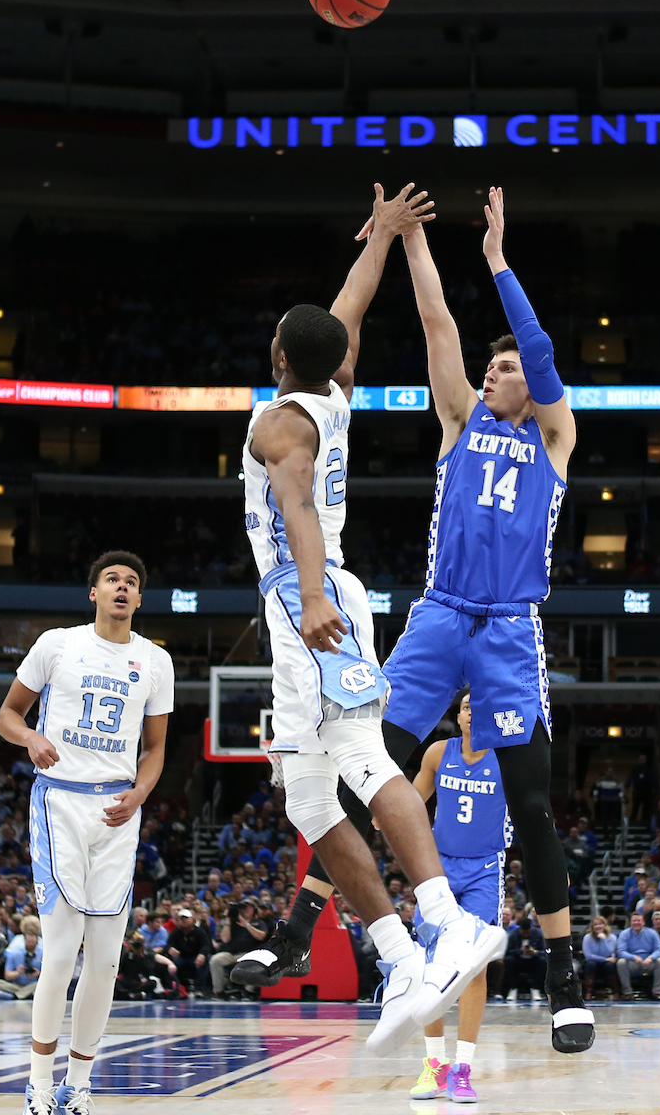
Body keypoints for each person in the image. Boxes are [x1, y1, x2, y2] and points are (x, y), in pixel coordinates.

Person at [236, 186, 594, 1055]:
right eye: (490, 366)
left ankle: (564, 981)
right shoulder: (460, 419)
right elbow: (435, 322)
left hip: (508, 626)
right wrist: (411, 244)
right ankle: (300, 927)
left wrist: (498, 262)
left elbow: (540, 353)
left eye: (505, 368)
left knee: (531, 802)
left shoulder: (553, 437)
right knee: (369, 768)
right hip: (438, 615)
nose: (493, 373)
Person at [0, 551, 174, 1115]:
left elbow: (155, 749)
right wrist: (30, 738)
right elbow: (7, 716)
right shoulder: (57, 645)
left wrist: (141, 792)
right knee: (59, 952)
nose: (122, 587)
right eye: (112, 579)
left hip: (118, 810)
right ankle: (39, 1083)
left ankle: (79, 1085)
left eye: (132, 582)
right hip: (60, 803)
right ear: (93, 593)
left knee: (104, 962)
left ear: (139, 598)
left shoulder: (156, 661)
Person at [408, 689, 512, 1103]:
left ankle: (463, 1069)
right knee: (430, 965)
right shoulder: (438, 753)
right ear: (459, 715)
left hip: (485, 869)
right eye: (467, 707)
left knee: (474, 966)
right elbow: (411, 802)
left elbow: (533, 811)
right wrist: (377, 814)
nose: (472, 713)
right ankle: (434, 1066)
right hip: (438, 868)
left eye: (480, 707)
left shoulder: (508, 759)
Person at [209, 898, 268, 998]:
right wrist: (228, 920)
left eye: (249, 907)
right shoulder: (233, 923)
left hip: (249, 953)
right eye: (243, 908)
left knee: (256, 961)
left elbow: (261, 936)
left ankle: (248, 991)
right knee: (215, 960)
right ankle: (219, 991)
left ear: (254, 909)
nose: (246, 910)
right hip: (232, 953)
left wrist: (247, 925)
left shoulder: (258, 923)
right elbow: (225, 939)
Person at [616, 912, 660, 1000]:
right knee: (621, 962)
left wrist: (651, 958)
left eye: (638, 920)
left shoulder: (652, 933)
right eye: (634, 921)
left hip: (649, 963)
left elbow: (659, 950)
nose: (636, 923)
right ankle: (627, 993)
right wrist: (633, 957)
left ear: (643, 922)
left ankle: (657, 993)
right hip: (633, 963)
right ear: (631, 922)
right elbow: (621, 951)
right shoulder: (624, 934)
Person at [581, 916, 618, 999]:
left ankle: (615, 990)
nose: (598, 926)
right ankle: (589, 991)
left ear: (605, 925)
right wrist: (604, 959)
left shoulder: (612, 937)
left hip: (606, 962)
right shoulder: (587, 938)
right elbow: (588, 956)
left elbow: (608, 953)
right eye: (595, 925)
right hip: (593, 962)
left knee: (609, 965)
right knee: (591, 964)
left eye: (600, 924)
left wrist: (603, 940)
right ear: (592, 927)